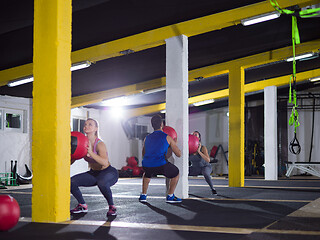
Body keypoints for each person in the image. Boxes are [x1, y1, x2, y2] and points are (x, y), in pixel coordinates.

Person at [70, 118, 119, 216]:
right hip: (93, 173)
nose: (86, 126)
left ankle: (112, 207)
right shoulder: (81, 142)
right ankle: (82, 205)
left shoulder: (99, 144)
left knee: (102, 183)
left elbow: (104, 162)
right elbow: (71, 161)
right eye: (85, 124)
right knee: (71, 182)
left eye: (90, 124)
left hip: (108, 172)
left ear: (96, 128)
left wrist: (91, 153)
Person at [139, 114, 182, 203]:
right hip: (160, 166)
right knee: (176, 173)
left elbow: (144, 153)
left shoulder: (147, 138)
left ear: (152, 125)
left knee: (147, 174)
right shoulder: (168, 137)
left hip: (146, 165)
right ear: (162, 124)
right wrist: (174, 144)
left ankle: (143, 195)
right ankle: (170, 196)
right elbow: (179, 154)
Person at [189, 131, 217, 195]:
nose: (193, 136)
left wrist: (199, 151)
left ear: (199, 138)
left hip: (205, 167)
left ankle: (213, 188)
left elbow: (208, 160)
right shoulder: (189, 149)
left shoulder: (203, 148)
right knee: (182, 172)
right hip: (195, 168)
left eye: (195, 135)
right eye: (192, 135)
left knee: (206, 173)